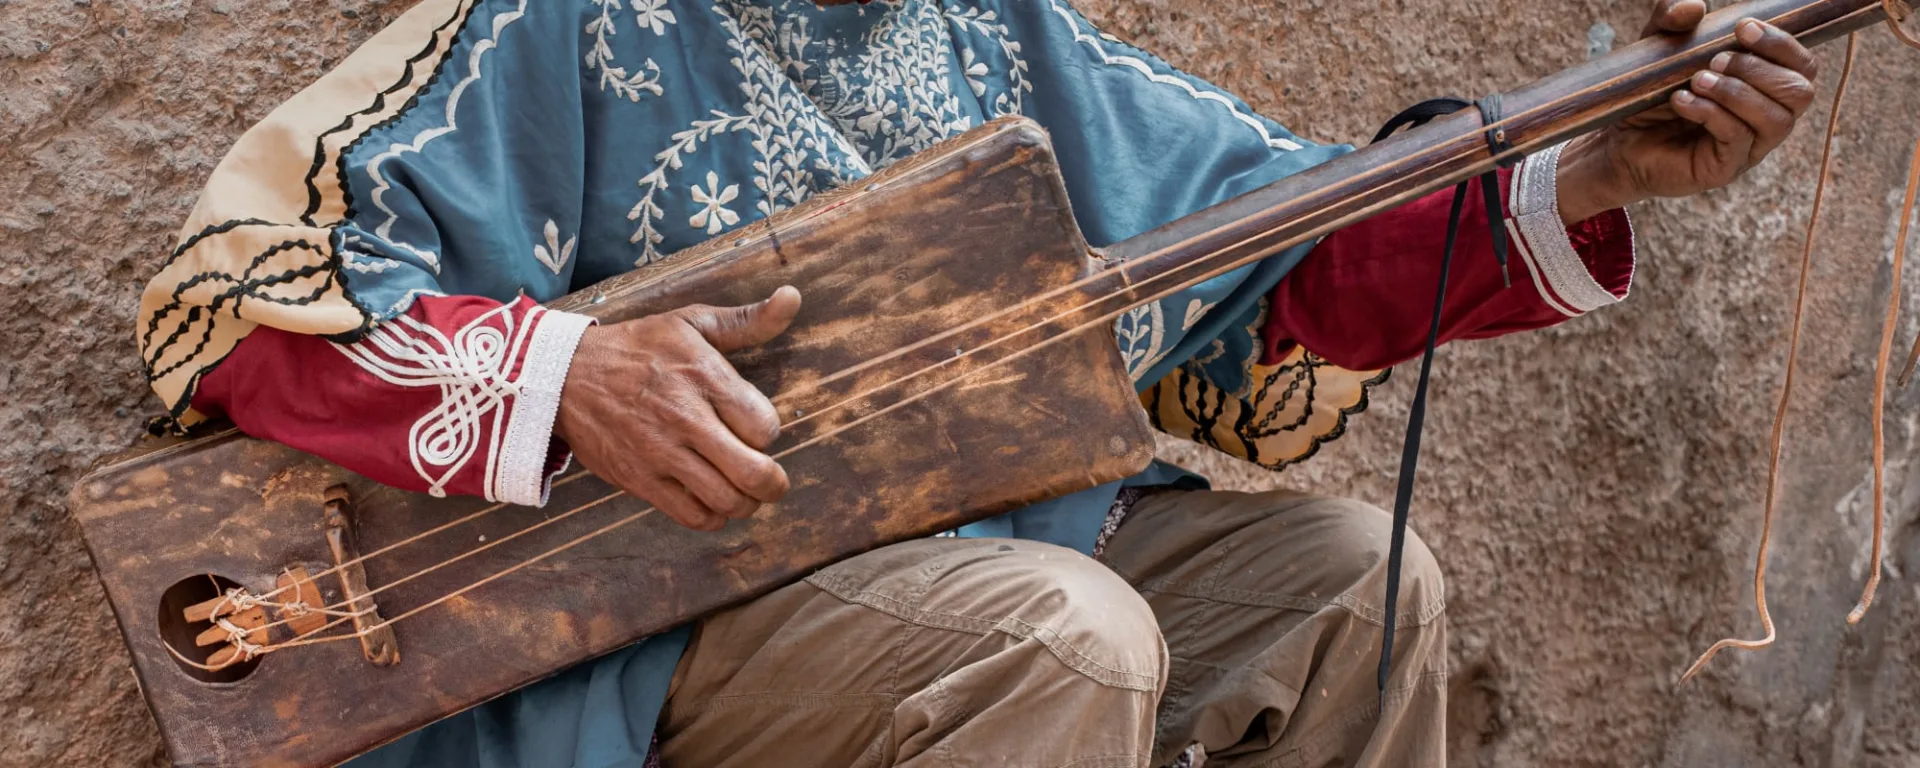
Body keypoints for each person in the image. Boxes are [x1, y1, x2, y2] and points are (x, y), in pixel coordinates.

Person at [135, 0, 1819, 764]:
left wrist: (1598, 165)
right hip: (663, 649)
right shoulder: (556, 26)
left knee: (1348, 588)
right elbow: (239, 295)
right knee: (1054, 632)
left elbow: (1273, 280)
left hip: (999, 572)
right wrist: (569, 369)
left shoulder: (1019, 43)